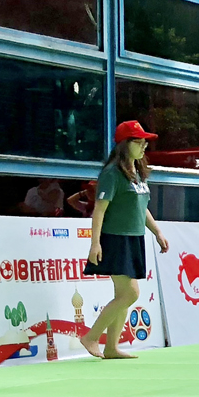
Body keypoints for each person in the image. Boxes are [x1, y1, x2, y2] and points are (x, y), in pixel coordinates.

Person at [81, 122, 169, 359]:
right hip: (115, 240)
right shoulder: (112, 174)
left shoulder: (138, 173)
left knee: (124, 295)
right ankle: (91, 337)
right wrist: (95, 243)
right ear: (123, 144)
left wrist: (157, 232)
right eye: (138, 142)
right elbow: (99, 211)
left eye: (144, 142)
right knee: (129, 294)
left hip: (133, 239)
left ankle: (111, 347)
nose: (143, 147)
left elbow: (142, 207)